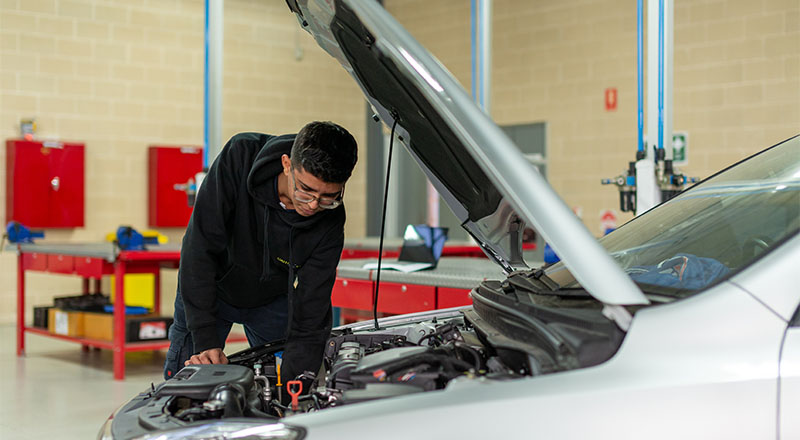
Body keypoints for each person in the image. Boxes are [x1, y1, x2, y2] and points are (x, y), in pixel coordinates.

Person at [164, 121, 358, 387]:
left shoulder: (330, 220)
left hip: (272, 298)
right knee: (184, 386)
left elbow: (312, 304)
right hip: (212, 287)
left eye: (328, 196)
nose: (314, 205)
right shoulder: (240, 157)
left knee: (290, 380)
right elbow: (199, 249)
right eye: (306, 190)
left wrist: (297, 388)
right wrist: (205, 340)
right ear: (287, 164)